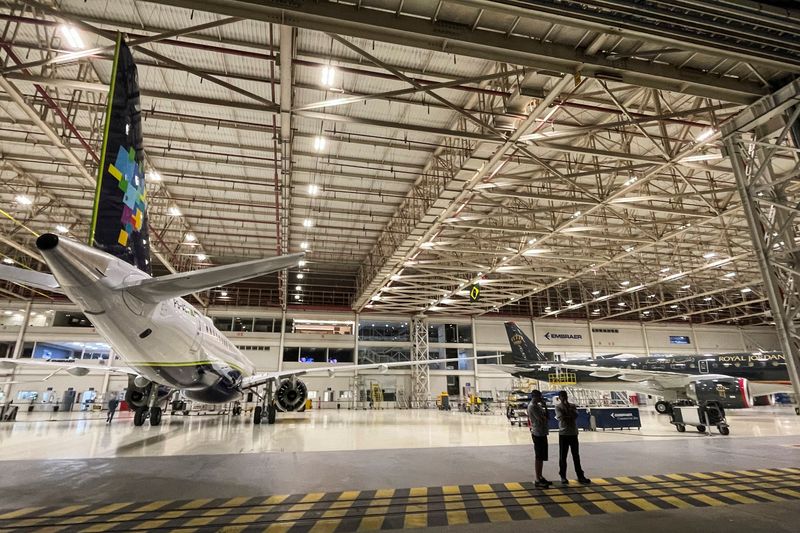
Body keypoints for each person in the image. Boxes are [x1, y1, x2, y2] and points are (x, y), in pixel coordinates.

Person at [554, 390, 591, 485]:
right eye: (562, 396)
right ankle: (563, 475)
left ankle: (580, 475)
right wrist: (568, 415)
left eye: (565, 396)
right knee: (563, 456)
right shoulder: (558, 407)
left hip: (573, 433)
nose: (564, 398)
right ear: (559, 398)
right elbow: (561, 417)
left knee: (576, 455)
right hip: (564, 433)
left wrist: (568, 412)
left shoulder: (572, 406)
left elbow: (575, 415)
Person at [527, 390, 552, 488]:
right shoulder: (532, 406)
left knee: (542, 456)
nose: (541, 398)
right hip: (537, 433)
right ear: (535, 396)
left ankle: (540, 476)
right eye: (539, 397)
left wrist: (545, 406)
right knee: (539, 456)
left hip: (542, 432)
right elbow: (542, 419)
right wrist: (544, 416)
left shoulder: (538, 406)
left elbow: (547, 417)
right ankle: (537, 478)